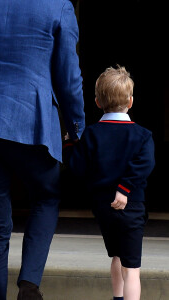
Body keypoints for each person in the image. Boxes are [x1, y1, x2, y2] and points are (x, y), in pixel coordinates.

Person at [0, 0, 85, 299]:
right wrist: (76, 127)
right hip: (32, 122)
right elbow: (68, 76)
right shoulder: (58, 6)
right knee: (46, 199)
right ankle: (29, 284)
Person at [64, 66, 155, 300]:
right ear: (131, 102)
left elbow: (77, 168)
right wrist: (125, 190)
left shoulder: (91, 134)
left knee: (116, 256)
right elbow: (144, 164)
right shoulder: (142, 135)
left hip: (103, 207)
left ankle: (117, 297)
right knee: (132, 267)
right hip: (132, 206)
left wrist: (69, 145)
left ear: (97, 102)